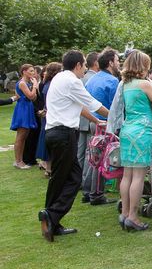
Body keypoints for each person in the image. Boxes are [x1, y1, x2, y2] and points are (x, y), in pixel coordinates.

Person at [38, 50, 109, 242]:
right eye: (84, 65)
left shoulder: (60, 78)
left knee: (61, 179)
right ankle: (51, 215)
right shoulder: (72, 81)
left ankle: (52, 221)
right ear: (77, 65)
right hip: (64, 135)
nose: (85, 69)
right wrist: (113, 117)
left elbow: (80, 106)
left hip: (54, 133)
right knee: (71, 179)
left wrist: (96, 121)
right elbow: (92, 103)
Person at [117, 50, 152, 232]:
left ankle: (125, 213)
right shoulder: (145, 84)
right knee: (139, 175)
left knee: (127, 175)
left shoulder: (125, 84)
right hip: (142, 130)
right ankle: (133, 217)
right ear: (142, 66)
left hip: (128, 130)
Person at [84, 48, 120, 206]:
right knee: (102, 159)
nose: (119, 63)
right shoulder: (112, 81)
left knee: (93, 158)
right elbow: (116, 106)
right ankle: (96, 194)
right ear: (111, 62)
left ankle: (88, 191)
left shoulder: (92, 78)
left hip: (93, 121)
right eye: (118, 60)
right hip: (104, 123)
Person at [78, 51, 99, 202]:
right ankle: (85, 184)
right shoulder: (93, 78)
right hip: (91, 118)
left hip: (82, 119)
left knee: (82, 152)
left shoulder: (83, 77)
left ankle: (78, 181)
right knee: (89, 154)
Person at [36, 62, 63, 177]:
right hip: (49, 116)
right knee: (49, 143)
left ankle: (47, 166)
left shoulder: (47, 83)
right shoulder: (51, 85)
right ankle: (49, 168)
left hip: (47, 115)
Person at [10, 64, 38, 169]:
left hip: (27, 108)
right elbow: (31, 96)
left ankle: (20, 160)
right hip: (23, 110)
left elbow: (34, 97)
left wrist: (33, 88)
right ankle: (18, 161)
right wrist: (35, 86)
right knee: (21, 136)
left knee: (25, 136)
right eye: (31, 71)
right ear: (24, 71)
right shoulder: (22, 83)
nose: (33, 73)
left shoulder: (27, 83)